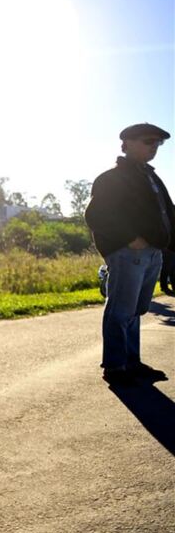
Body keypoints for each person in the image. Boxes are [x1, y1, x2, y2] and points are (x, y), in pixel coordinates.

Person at [85, 122, 175, 387]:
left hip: (153, 253)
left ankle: (131, 362)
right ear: (127, 143)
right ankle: (115, 367)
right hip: (128, 253)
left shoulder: (150, 177)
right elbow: (95, 216)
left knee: (134, 311)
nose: (154, 147)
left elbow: (168, 214)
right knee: (120, 311)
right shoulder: (112, 178)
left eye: (158, 143)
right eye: (149, 141)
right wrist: (129, 239)